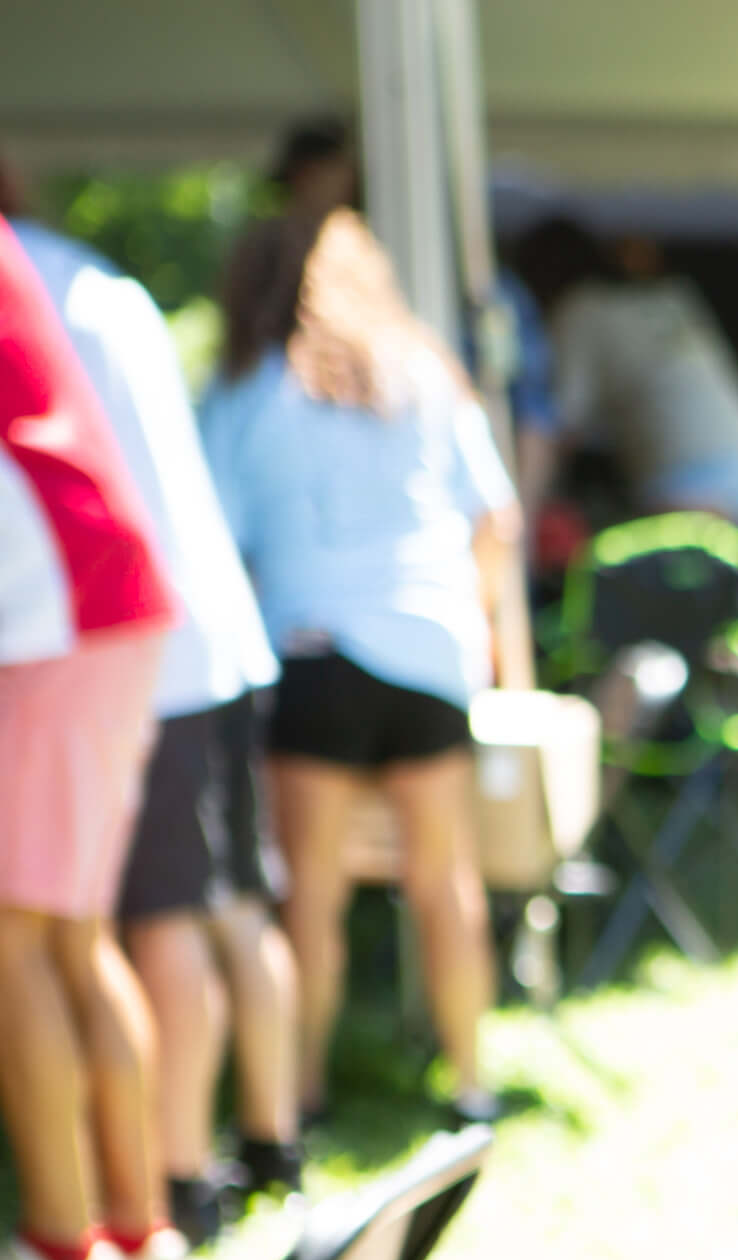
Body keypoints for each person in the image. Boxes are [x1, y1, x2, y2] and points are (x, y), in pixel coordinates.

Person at [6, 196, 307, 1248]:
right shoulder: (85, 272)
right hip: (182, 624)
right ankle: (239, 1161)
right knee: (214, 917)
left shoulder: (45, 278)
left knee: (138, 928)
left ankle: (154, 1198)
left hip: (93, 625)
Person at [199, 208, 525, 1129]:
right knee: (444, 881)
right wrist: (478, 631)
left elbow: (216, 543)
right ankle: (471, 1084)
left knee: (311, 893)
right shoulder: (427, 373)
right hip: (429, 649)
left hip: (311, 654)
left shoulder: (244, 393)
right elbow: (495, 522)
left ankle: (300, 1093)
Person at [0, 217, 180, 1260]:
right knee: (72, 932)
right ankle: (135, 1231)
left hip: (57, 608)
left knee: (14, 937)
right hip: (98, 596)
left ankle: (64, 1250)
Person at [515, 216, 738, 526]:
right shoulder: (670, 295)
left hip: (684, 473)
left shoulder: (579, 308)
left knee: (668, 556)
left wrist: (530, 506)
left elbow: (554, 428)